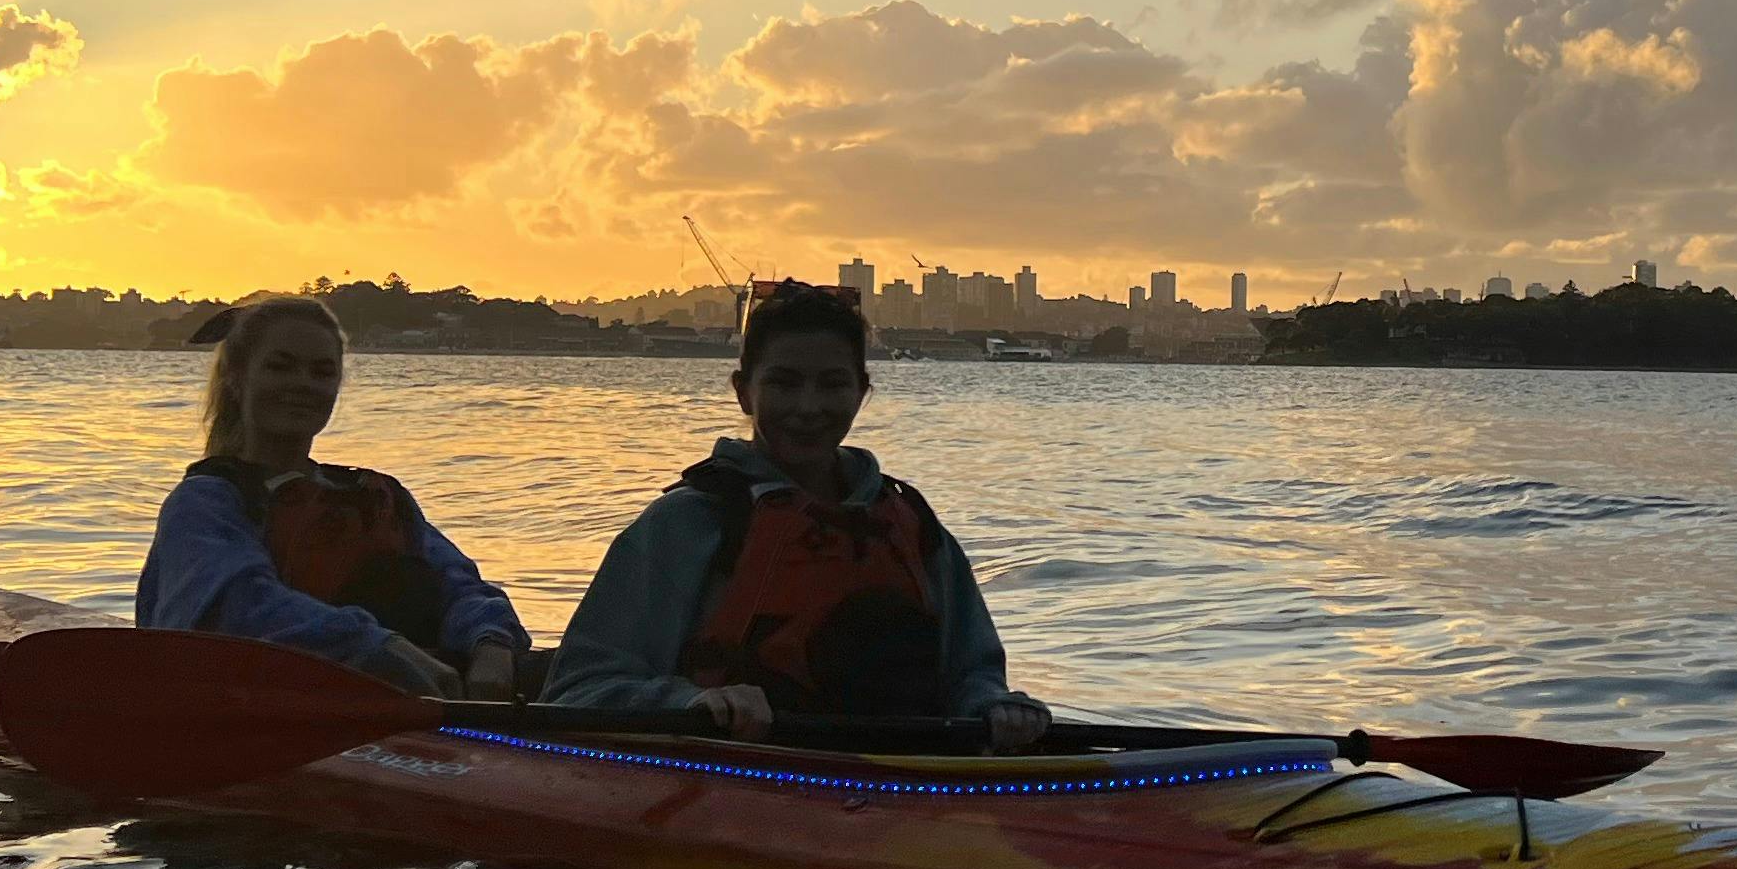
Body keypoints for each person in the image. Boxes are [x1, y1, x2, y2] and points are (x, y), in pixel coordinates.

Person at [547, 280, 1051, 747]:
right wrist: (689, 703)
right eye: (784, 384)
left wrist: (994, 706)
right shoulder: (684, 525)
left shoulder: (912, 523)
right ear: (743, 391)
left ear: (862, 391)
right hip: (732, 777)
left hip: (902, 778)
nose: (808, 407)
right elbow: (578, 689)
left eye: (832, 385)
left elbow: (973, 674)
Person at [136, 296, 530, 697]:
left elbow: (458, 581)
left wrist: (491, 643)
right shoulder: (204, 504)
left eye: (322, 372)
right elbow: (238, 607)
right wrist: (384, 650)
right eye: (280, 367)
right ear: (236, 378)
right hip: (274, 704)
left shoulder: (377, 497)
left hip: (418, 706)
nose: (302, 384)